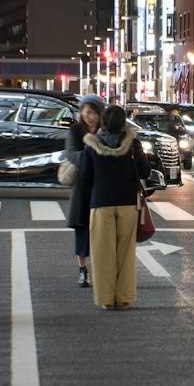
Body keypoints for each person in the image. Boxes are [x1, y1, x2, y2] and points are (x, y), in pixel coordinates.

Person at [71, 104, 150, 310]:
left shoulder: (92, 145)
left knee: (102, 254)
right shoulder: (133, 144)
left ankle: (106, 299)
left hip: (100, 204)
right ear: (123, 123)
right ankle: (124, 298)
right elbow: (144, 172)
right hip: (127, 204)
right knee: (125, 254)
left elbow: (85, 179)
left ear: (103, 122)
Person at [64, 95, 105, 287]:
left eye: (94, 112)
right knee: (82, 229)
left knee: (101, 231)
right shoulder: (75, 130)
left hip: (102, 186)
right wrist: (93, 148)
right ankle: (82, 270)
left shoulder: (106, 130)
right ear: (81, 112)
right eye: (87, 112)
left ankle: (100, 270)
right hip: (81, 186)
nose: (90, 116)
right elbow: (71, 154)